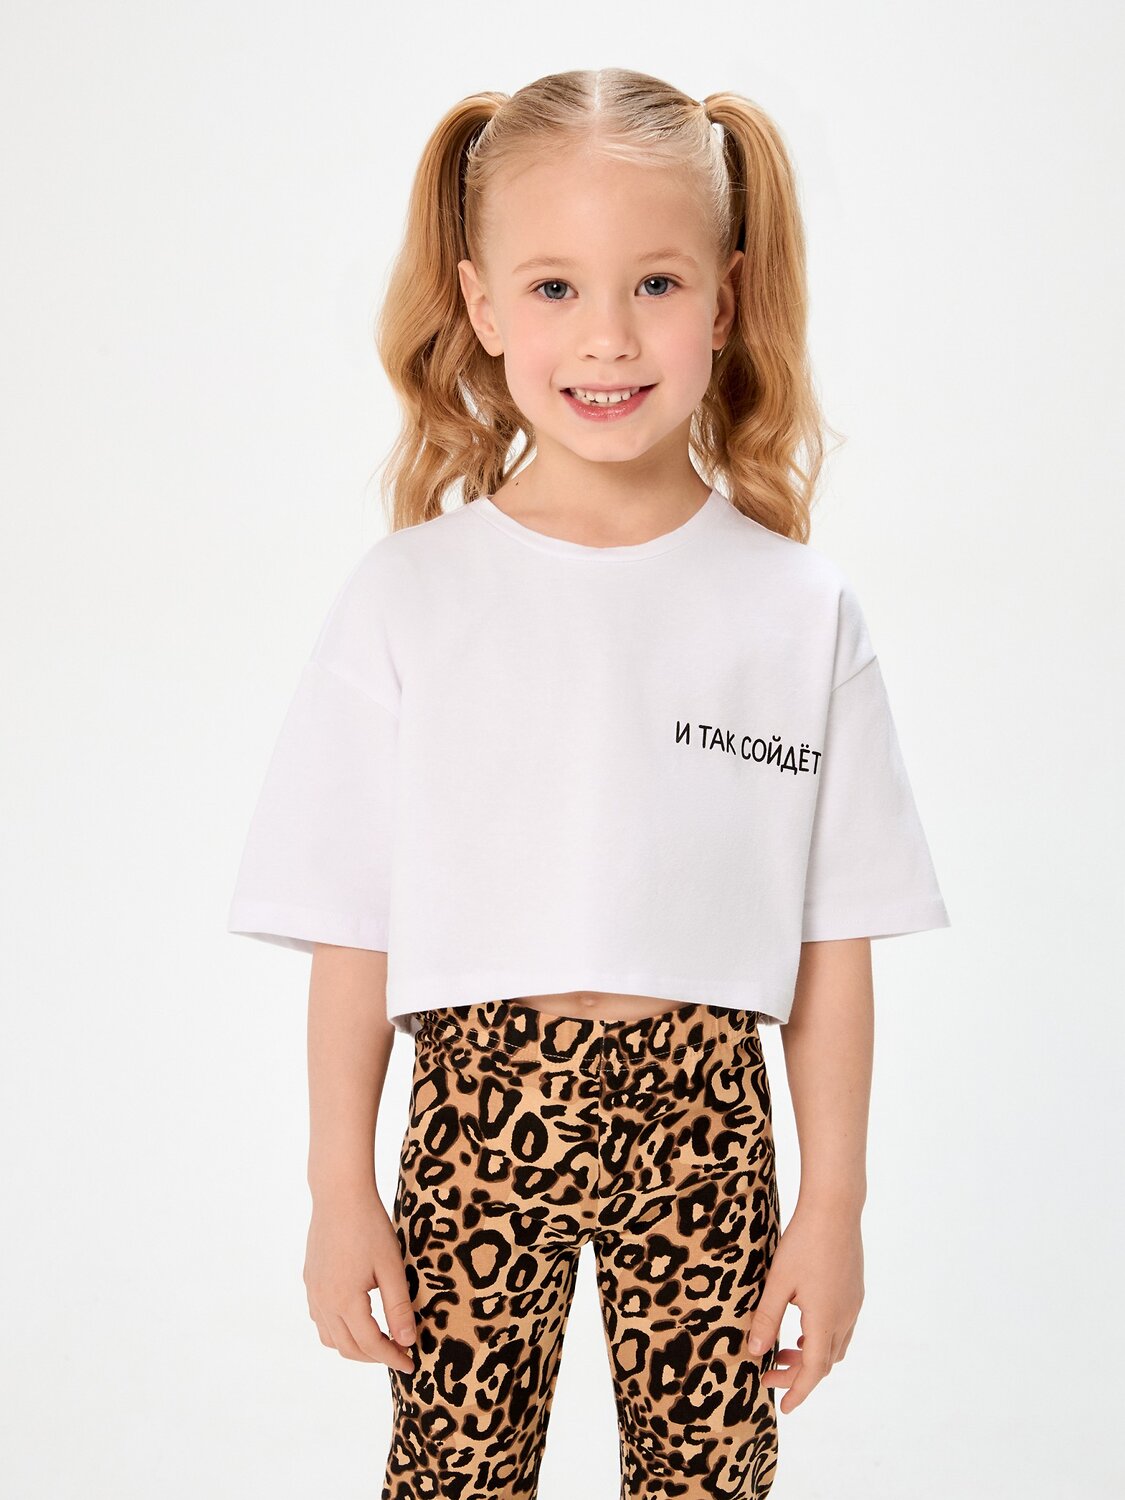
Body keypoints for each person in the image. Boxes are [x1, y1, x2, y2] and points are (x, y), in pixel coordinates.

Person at [226, 67, 951, 1500]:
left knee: (707, 1477)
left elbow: (833, 944)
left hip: (706, 1117)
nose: (608, 335)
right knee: (454, 1475)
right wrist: (336, 1189)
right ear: (481, 304)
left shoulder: (798, 611)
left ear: (726, 300)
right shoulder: (410, 595)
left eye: (656, 284)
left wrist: (835, 1210)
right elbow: (353, 926)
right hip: (475, 1111)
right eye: (554, 287)